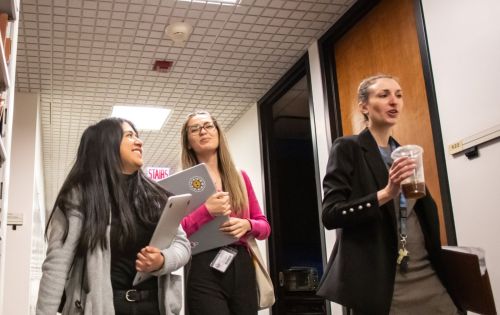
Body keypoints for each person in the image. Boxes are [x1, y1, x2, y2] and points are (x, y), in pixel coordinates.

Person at [316, 74, 460, 314]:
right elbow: (331, 215)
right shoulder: (348, 148)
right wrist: (385, 193)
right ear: (364, 106)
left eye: (399, 95)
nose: (394, 101)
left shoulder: (402, 153)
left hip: (426, 271)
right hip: (383, 282)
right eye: (384, 95)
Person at [36, 118, 191, 315]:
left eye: (137, 136)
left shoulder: (156, 196)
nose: (139, 142)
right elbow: (56, 267)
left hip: (154, 307)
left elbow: (182, 245)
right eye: (129, 136)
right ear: (107, 144)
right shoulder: (80, 196)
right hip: (103, 308)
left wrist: (163, 260)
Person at [179, 110, 271, 315]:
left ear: (218, 133)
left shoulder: (240, 177)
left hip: (241, 262)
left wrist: (248, 225)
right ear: (188, 141)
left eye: (208, 126)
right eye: (195, 129)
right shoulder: (182, 183)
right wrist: (206, 211)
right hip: (202, 265)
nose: (203, 131)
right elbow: (176, 233)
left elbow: (264, 227)